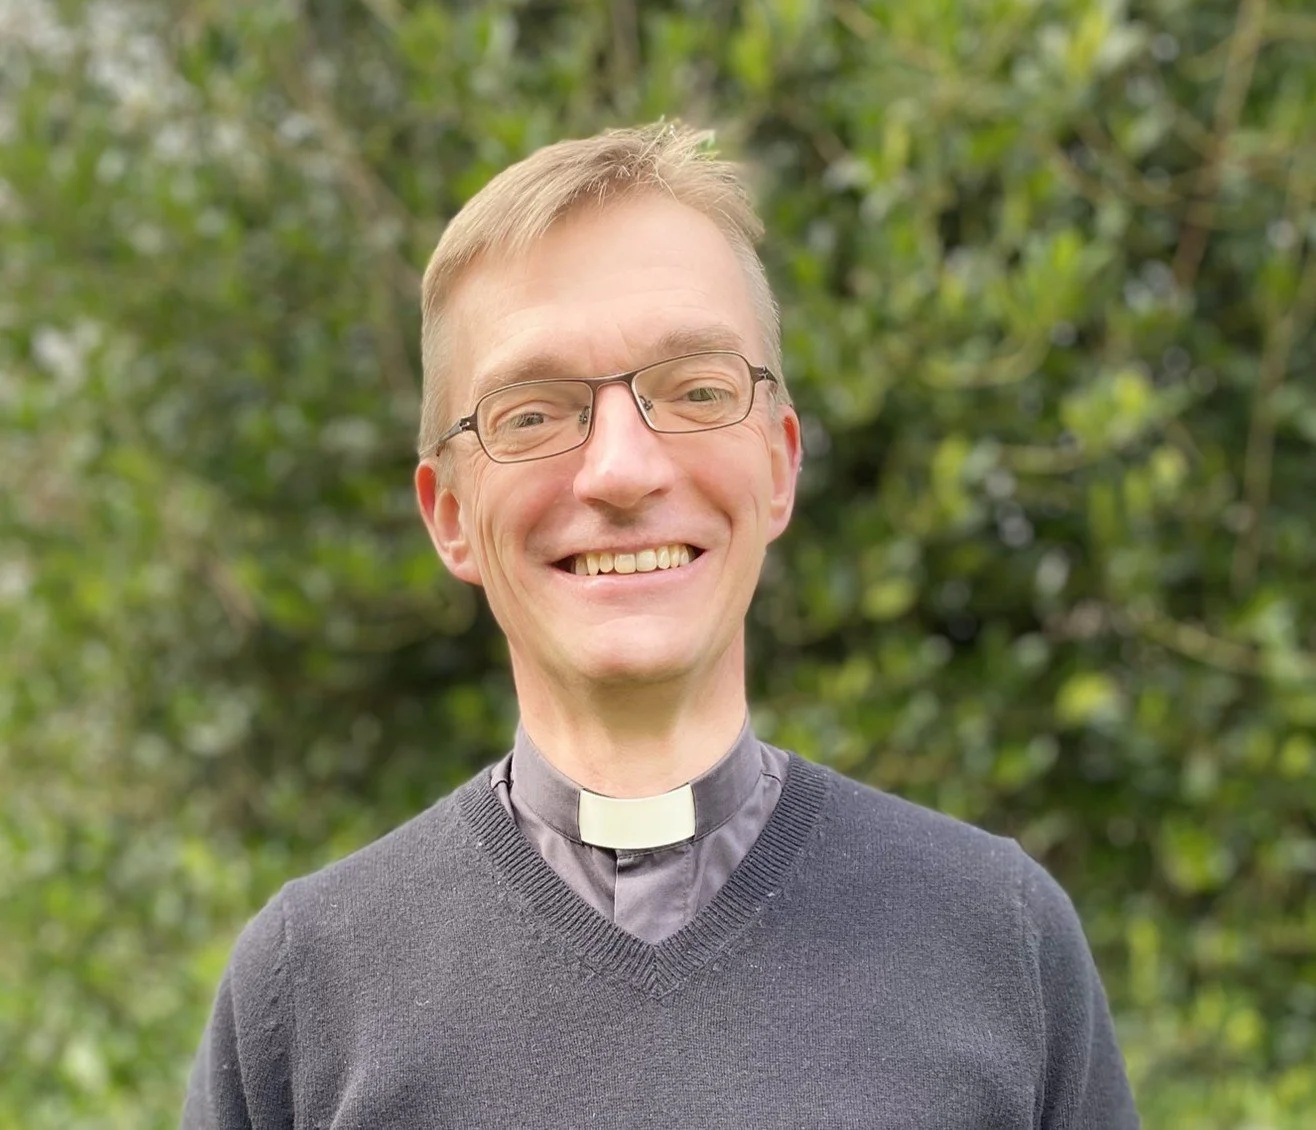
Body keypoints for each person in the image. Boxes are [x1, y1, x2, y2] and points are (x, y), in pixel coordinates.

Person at [182, 121, 1139, 1129]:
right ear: (449, 514)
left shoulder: (995, 934)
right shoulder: (308, 985)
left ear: (778, 464)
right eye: (532, 412)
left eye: (694, 390)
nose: (622, 471)